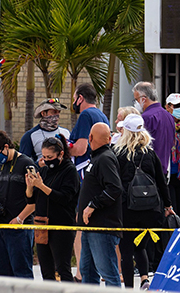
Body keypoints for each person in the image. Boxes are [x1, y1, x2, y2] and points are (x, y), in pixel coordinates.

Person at [114, 114, 174, 289]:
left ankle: (129, 288)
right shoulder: (150, 153)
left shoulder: (118, 154)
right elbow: (162, 182)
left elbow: (115, 184)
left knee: (126, 250)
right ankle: (144, 279)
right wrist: (168, 205)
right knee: (141, 246)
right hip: (150, 208)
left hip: (128, 208)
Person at [0, 130, 36, 278]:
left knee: (21, 272)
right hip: (0, 225)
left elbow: (36, 199)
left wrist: (20, 218)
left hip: (19, 227)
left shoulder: (27, 163)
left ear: (5, 147)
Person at [69, 83, 109, 281]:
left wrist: (63, 147)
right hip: (97, 172)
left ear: (80, 98)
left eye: (74, 97)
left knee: (80, 222)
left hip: (84, 172)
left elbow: (81, 148)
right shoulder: (102, 116)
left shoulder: (85, 116)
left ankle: (80, 272)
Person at [25, 135, 80, 282]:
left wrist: (41, 186)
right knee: (46, 270)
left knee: (63, 269)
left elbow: (65, 198)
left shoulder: (69, 171)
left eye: (50, 157)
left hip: (61, 225)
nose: (46, 160)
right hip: (42, 224)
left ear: (60, 154)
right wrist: (30, 187)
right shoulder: (43, 171)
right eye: (43, 157)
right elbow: (32, 199)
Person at [76, 123, 123, 287]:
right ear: (109, 139)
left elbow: (115, 188)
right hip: (91, 226)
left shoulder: (105, 159)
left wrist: (92, 205)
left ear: (90, 138)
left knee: (108, 272)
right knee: (87, 270)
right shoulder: (97, 158)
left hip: (102, 226)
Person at [134, 82, 175, 176]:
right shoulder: (169, 116)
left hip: (148, 171)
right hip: (164, 169)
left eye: (136, 99)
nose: (135, 103)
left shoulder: (146, 117)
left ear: (143, 99)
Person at [19, 98, 71, 163]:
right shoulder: (30, 136)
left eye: (59, 112)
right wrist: (39, 165)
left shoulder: (66, 133)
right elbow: (23, 163)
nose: (57, 116)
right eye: (54, 112)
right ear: (43, 113)